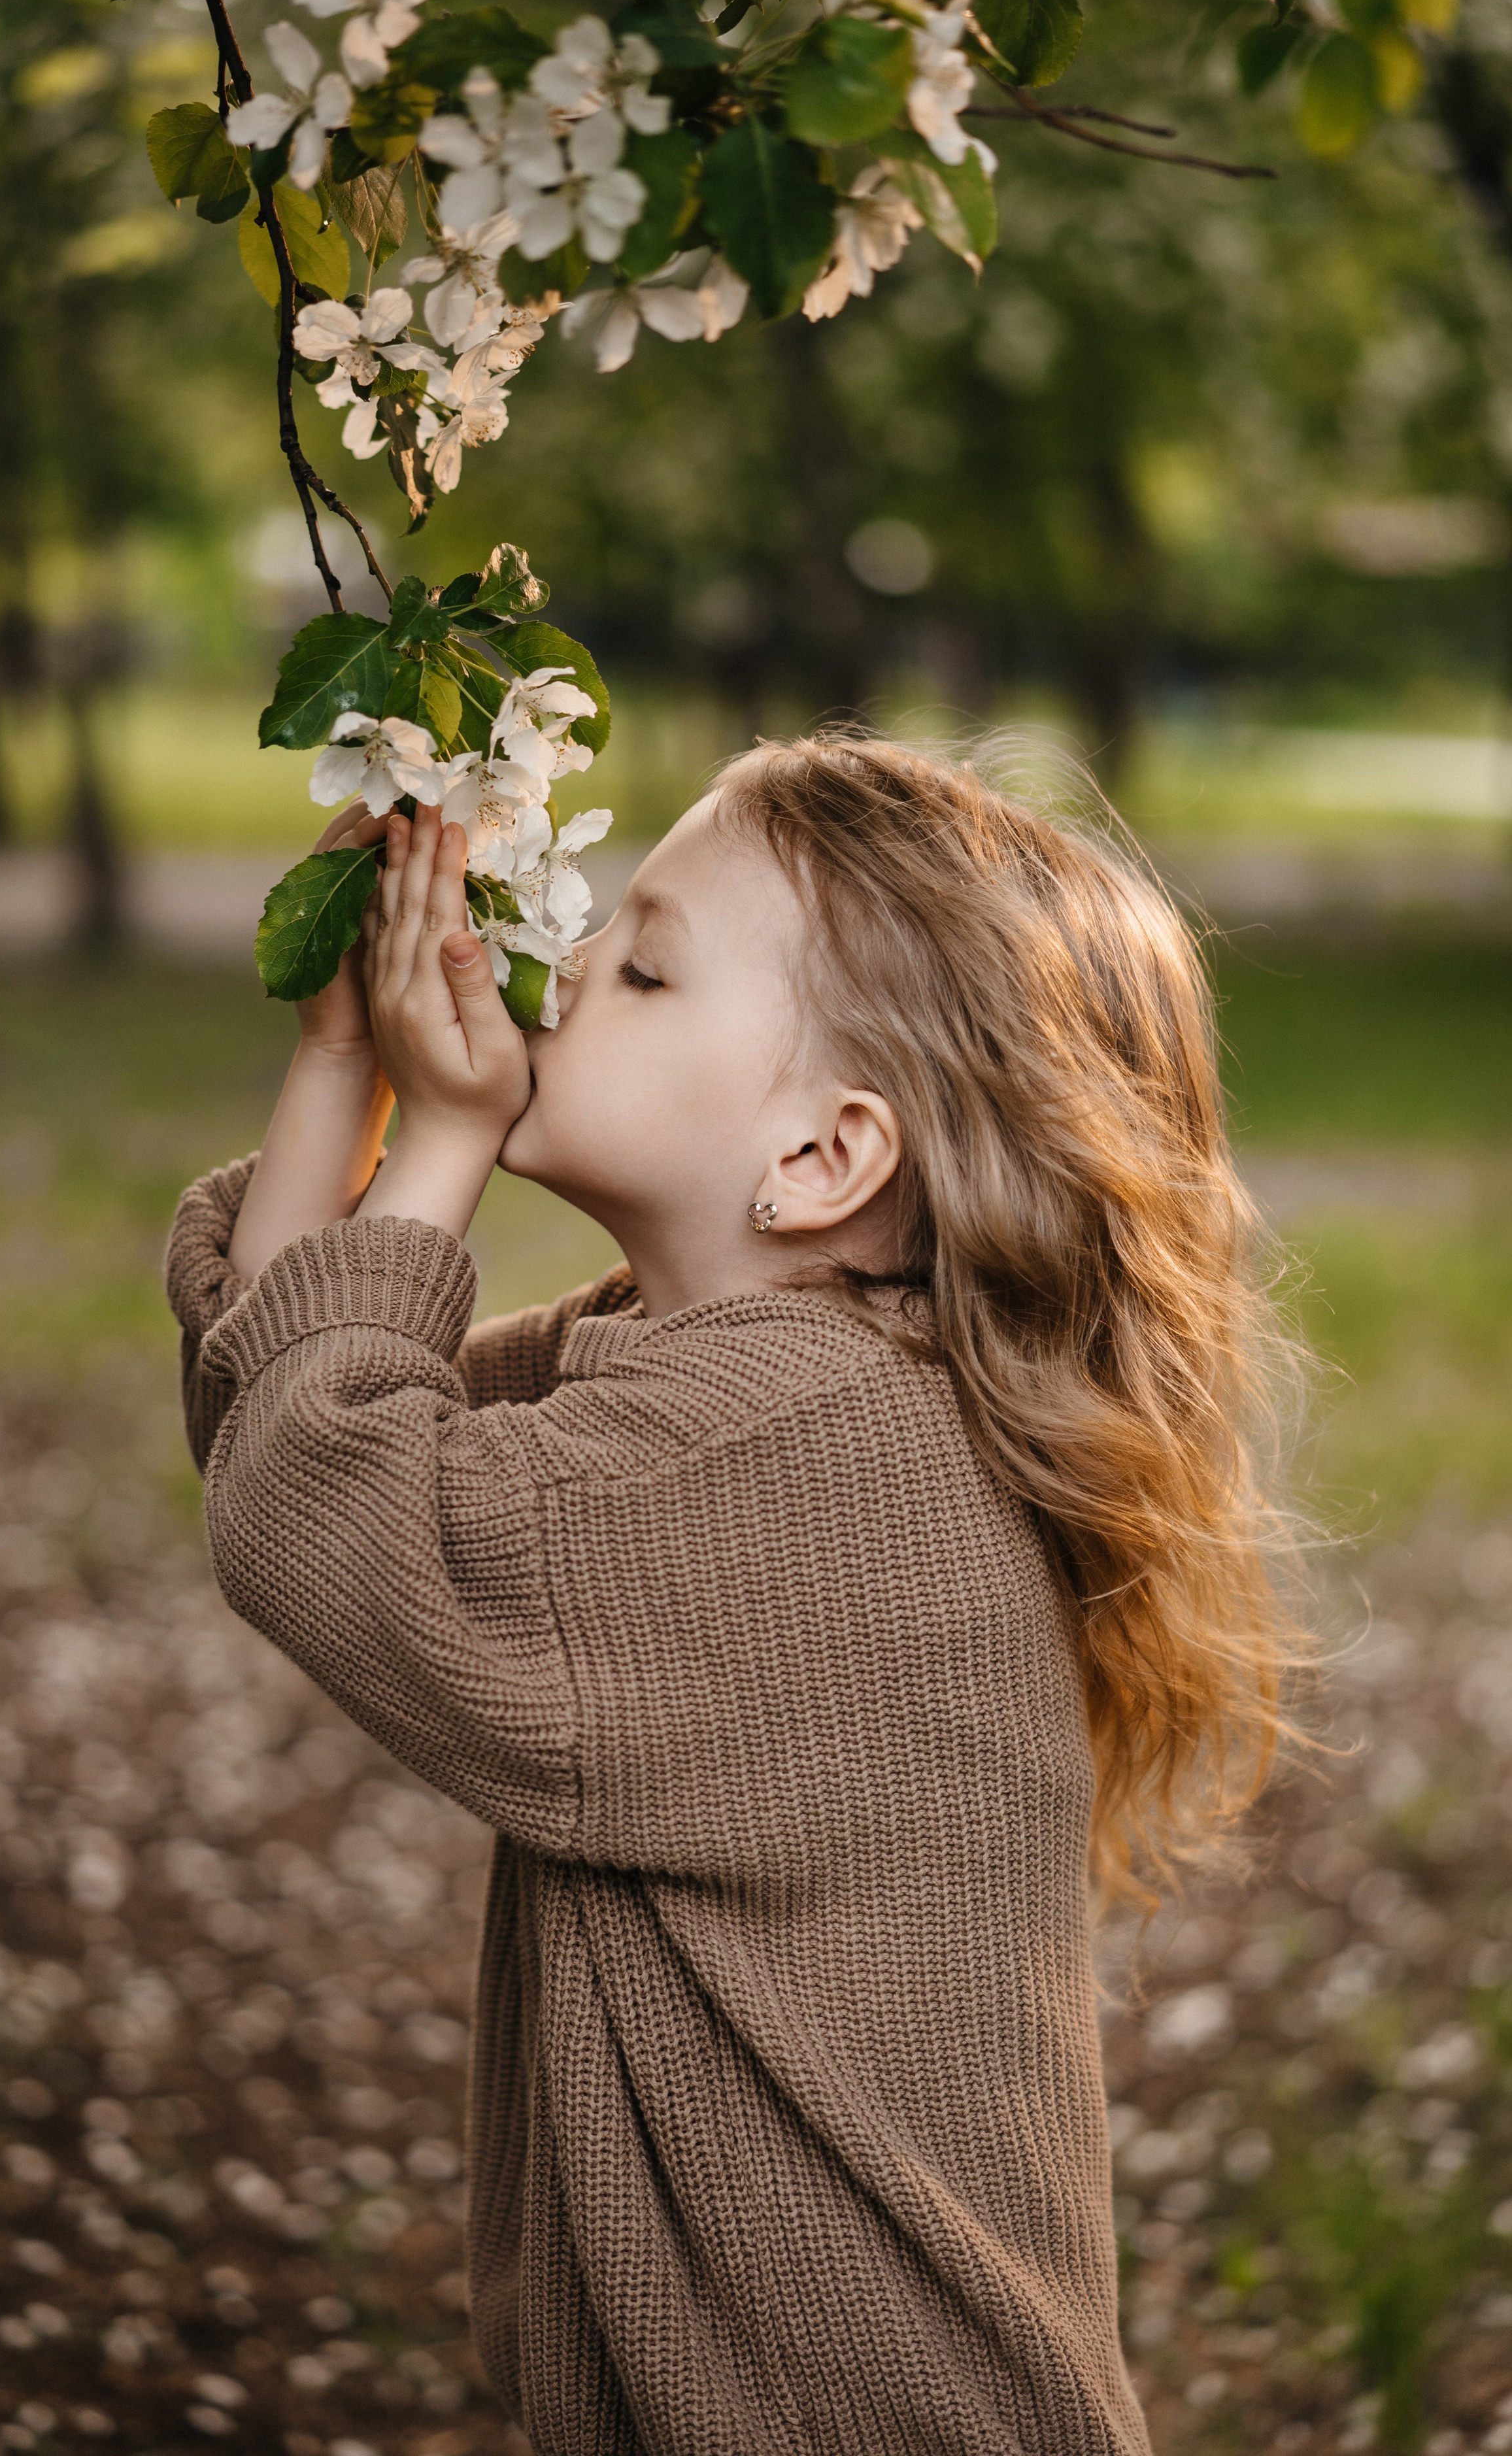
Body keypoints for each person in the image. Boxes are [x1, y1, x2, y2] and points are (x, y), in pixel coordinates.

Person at [165, 735, 1305, 2456]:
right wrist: (347, 1060)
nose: (570, 968)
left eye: (644, 965)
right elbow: (289, 1407)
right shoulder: (715, 1375)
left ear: (826, 1160)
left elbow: (331, 1504)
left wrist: (444, 1129)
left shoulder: (796, 1462)